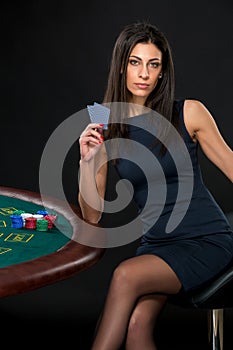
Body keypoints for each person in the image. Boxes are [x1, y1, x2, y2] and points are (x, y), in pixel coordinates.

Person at [78, 21, 233, 350]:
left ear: (163, 71)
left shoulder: (188, 112)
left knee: (124, 275)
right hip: (158, 246)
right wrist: (88, 161)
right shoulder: (104, 121)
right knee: (136, 327)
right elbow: (92, 217)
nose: (144, 73)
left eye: (154, 64)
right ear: (122, 67)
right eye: (135, 62)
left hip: (204, 240)